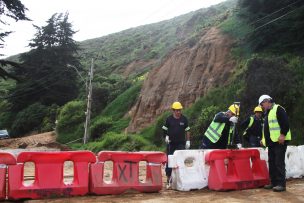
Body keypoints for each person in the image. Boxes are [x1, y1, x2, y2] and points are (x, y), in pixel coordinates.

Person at [259, 95, 291, 192]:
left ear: (267, 101)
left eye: (262, 104)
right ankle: (273, 182)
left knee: (279, 162)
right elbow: (267, 129)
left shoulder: (278, 109)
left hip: (279, 141)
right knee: (272, 162)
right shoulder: (267, 113)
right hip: (271, 142)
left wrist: (282, 135)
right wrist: (263, 140)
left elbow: (285, 123)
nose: (262, 106)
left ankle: (281, 184)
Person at [162, 101, 190, 189]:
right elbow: (164, 129)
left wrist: (188, 141)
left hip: (181, 144)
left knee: (181, 161)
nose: (178, 112)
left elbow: (187, 130)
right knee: (170, 161)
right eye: (177, 110)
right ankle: (168, 180)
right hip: (171, 144)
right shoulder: (169, 119)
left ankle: (181, 180)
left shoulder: (184, 119)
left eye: (180, 110)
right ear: (173, 111)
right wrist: (165, 137)